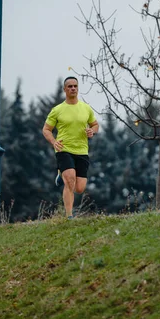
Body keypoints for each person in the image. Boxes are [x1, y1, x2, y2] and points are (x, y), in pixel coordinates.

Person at [42, 76, 99, 219]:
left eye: (75, 86)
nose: (73, 88)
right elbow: (46, 129)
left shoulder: (86, 108)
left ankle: (61, 174)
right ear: (64, 89)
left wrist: (93, 131)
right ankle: (69, 216)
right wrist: (54, 142)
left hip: (82, 150)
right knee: (70, 181)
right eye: (70, 86)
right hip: (63, 149)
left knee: (79, 188)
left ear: (78, 88)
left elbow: (95, 125)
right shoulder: (57, 110)